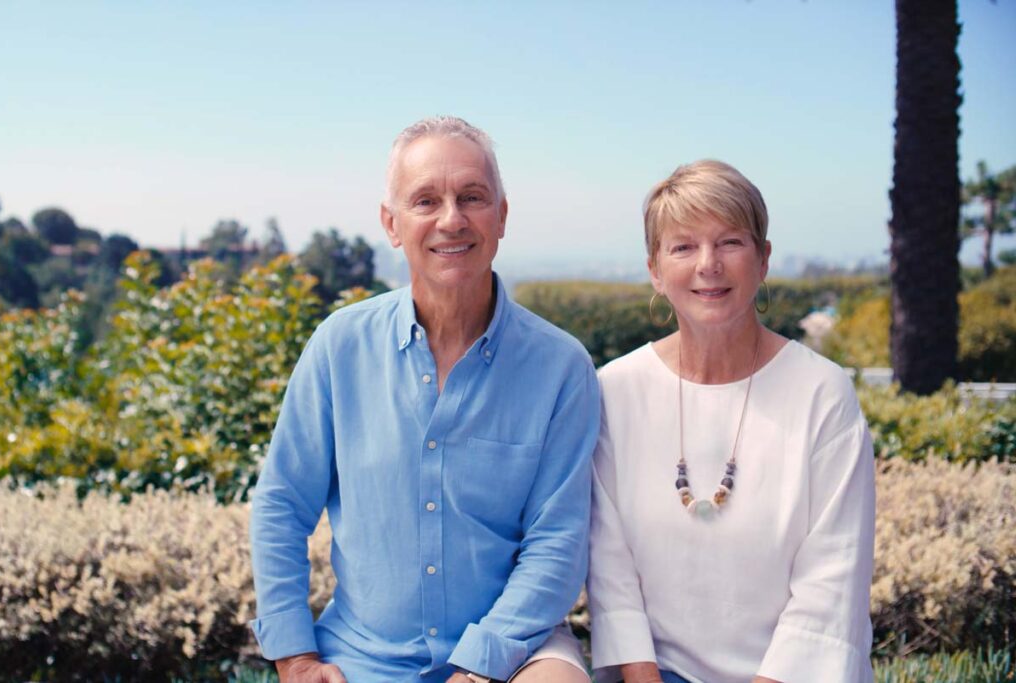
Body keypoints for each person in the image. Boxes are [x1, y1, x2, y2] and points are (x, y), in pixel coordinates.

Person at [250, 116, 599, 683]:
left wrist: (481, 665)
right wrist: (295, 656)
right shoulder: (340, 346)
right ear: (391, 223)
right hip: (362, 654)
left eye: (472, 197)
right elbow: (282, 504)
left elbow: (556, 544)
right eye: (425, 201)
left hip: (516, 651)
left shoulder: (562, 367)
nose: (451, 220)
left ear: (502, 216)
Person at [587, 160, 875, 683]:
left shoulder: (823, 394)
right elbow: (610, 568)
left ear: (763, 259)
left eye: (730, 243)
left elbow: (832, 583)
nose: (708, 264)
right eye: (683, 246)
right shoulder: (614, 390)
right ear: (655, 268)